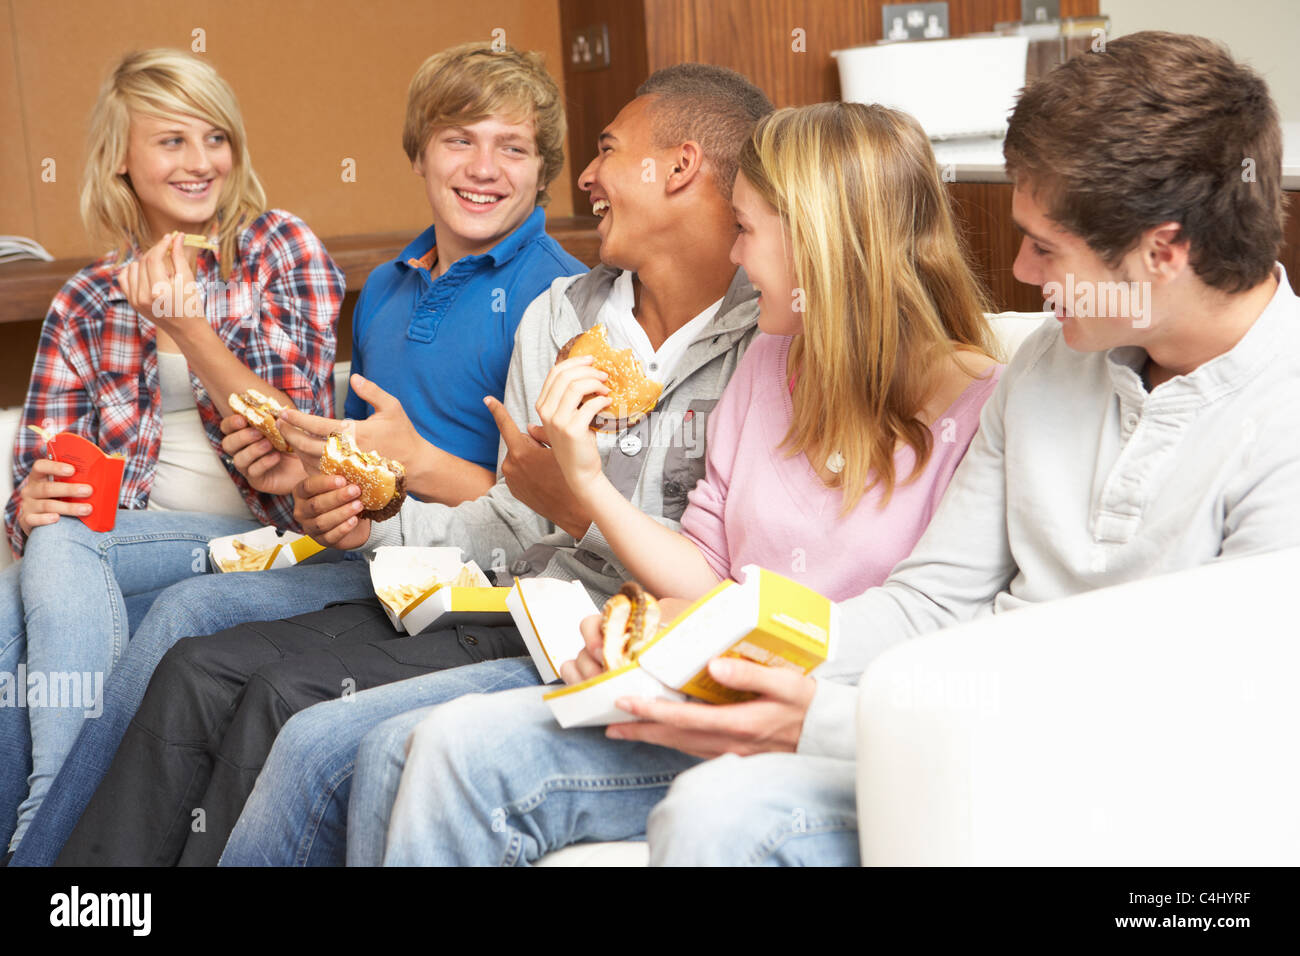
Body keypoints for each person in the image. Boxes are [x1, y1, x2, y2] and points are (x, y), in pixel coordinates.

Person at [375, 31, 1300, 865]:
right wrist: (709, 645)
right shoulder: (1053, 369)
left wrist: (832, 721)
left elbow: (1205, 729)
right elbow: (930, 603)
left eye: (1044, 249)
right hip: (926, 732)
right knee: (459, 748)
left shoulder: (1280, 422)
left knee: (722, 815)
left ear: (1163, 250)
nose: (1019, 275)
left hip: (1082, 787)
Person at [224, 97, 1002, 867]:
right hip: (684, 676)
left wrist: (691, 637)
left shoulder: (986, 407)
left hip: (816, 716)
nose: (734, 259)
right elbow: (700, 567)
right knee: (397, 736)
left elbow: (927, 625)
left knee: (401, 745)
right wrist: (591, 490)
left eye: (747, 231)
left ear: (822, 246)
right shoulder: (769, 363)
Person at [58, 63, 775, 867]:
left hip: (564, 626)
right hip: (491, 588)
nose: (586, 176)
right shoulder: (550, 316)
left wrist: (561, 498)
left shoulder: (766, 341)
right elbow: (506, 519)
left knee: (278, 697)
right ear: (420, 156)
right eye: (458, 141)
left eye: (597, 150)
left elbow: (698, 568)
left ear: (675, 168)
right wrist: (372, 519)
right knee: (197, 657)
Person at [7, 40, 585, 865]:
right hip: (353, 545)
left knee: (187, 615)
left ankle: (55, 859)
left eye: (514, 147)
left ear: (544, 170)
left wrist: (383, 466)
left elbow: (533, 510)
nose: (484, 167)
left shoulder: (553, 298)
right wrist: (310, 472)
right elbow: (341, 464)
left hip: (453, 572)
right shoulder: (387, 285)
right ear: (420, 153)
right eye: (460, 139)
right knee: (13, 610)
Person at [0, 48, 344, 857]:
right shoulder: (86, 299)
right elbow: (34, 485)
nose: (201, 162)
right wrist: (26, 504)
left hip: (268, 543)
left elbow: (296, 437)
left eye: (214, 138)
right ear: (121, 157)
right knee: (15, 600)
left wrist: (189, 326)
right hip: (131, 551)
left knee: (60, 550)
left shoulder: (278, 250)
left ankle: (47, 836)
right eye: (172, 141)